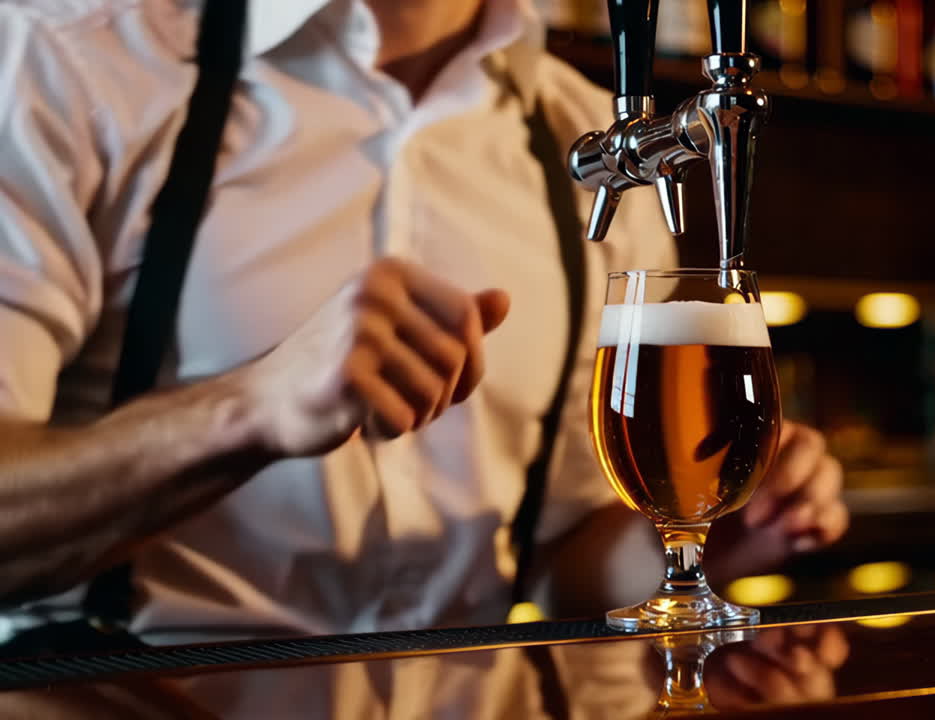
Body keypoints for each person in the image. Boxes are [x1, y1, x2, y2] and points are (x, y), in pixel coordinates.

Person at [0, 0, 848, 645]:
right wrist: (246, 411)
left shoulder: (589, 140)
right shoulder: (65, 64)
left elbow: (563, 570)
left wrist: (706, 538)